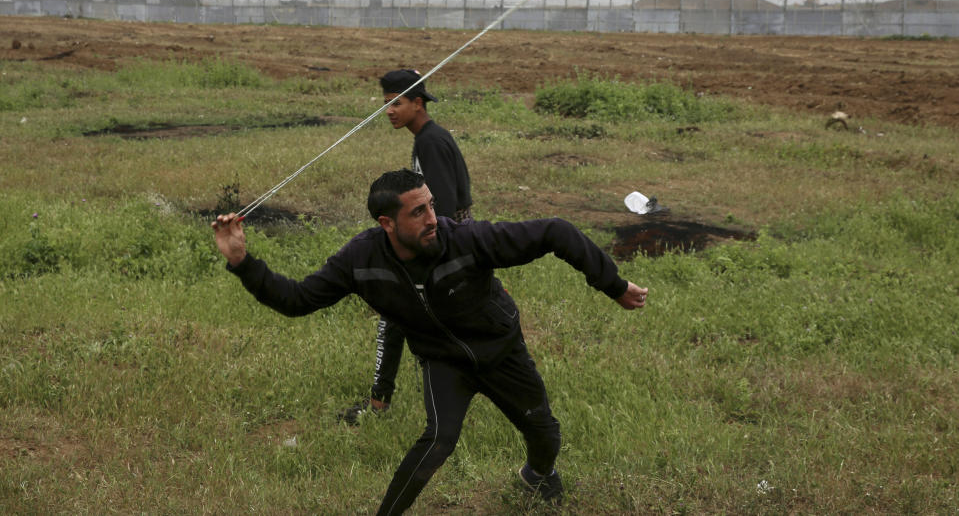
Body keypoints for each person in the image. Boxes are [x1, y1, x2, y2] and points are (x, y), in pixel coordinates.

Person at [212, 169, 648, 514]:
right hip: (444, 362)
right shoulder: (359, 261)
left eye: (431, 206)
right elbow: (297, 300)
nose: (431, 219)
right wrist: (241, 262)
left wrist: (613, 285)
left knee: (545, 433)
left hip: (500, 351)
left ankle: (538, 475)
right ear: (387, 223)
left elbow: (557, 231)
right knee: (438, 439)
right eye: (417, 212)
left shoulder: (468, 240)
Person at [338, 69, 474, 425]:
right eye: (385, 104)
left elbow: (441, 207)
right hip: (447, 247)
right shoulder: (430, 138)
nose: (389, 111)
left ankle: (381, 405)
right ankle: (385, 402)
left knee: (396, 321)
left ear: (418, 103)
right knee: (406, 321)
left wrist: (424, 255)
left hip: (440, 248)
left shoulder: (430, 142)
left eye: (396, 103)